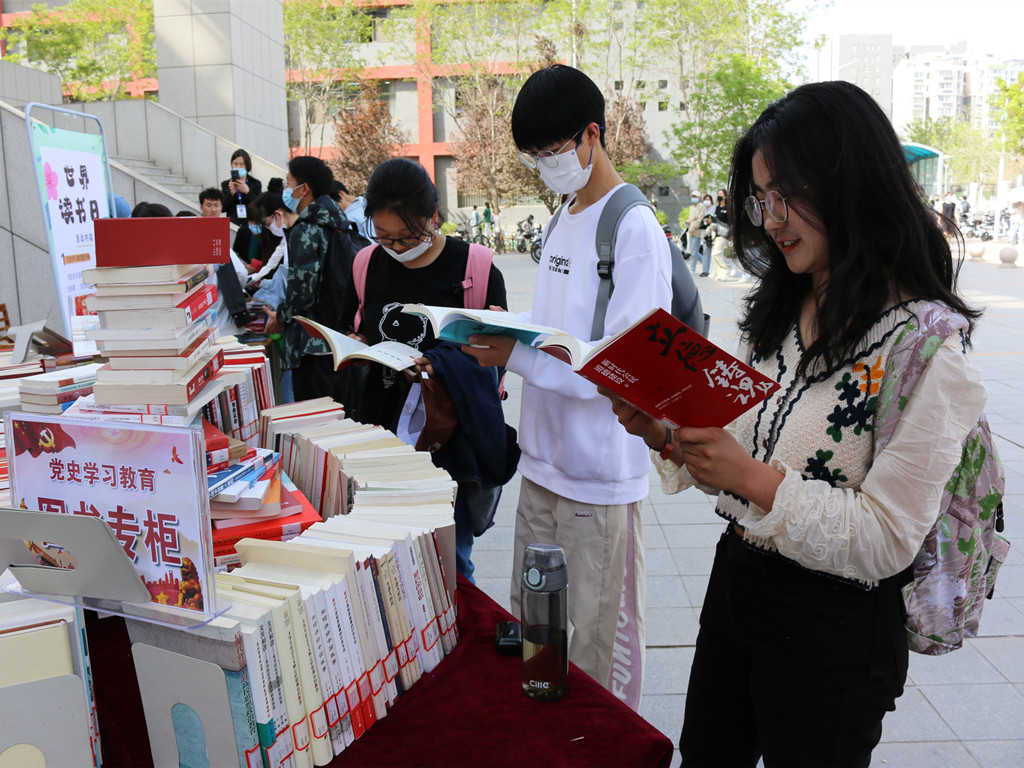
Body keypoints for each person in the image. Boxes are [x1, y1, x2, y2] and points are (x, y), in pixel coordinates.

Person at [602, 81, 986, 766]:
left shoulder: (925, 350)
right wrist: (662, 433)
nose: (771, 219)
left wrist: (751, 478)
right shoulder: (779, 309)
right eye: (760, 198)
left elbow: (888, 537)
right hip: (739, 586)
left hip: (835, 630)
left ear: (849, 183)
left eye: (786, 195)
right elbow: (735, 444)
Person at [463, 64, 672, 712]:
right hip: (543, 469)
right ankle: (547, 745)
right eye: (537, 156)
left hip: (599, 483)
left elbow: (625, 367)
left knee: (597, 654)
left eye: (554, 152)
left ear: (591, 135)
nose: (548, 165)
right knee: (539, 642)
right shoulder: (562, 218)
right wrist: (505, 334)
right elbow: (555, 329)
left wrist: (516, 357)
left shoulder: (632, 228)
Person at [336, 158, 514, 583]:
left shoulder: (476, 269)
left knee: (449, 565)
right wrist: (355, 348)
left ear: (434, 217)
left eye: (406, 237)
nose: (395, 248)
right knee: (382, 559)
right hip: (381, 437)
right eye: (384, 238)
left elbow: (502, 354)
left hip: (450, 441)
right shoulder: (366, 263)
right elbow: (353, 326)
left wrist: (439, 364)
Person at [263, 156, 344, 401]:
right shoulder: (338, 222)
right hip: (339, 336)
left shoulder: (306, 229)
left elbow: (302, 289)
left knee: (315, 418)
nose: (287, 190)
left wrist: (281, 316)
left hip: (310, 342)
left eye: (289, 183)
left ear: (304, 188)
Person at [706, 188, 732, 280]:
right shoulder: (717, 208)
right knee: (716, 254)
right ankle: (721, 273)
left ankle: (726, 269)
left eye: (721, 194)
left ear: (725, 196)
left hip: (724, 233)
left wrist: (731, 234)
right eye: (718, 194)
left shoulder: (728, 207)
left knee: (716, 253)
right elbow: (716, 219)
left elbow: (731, 221)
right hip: (716, 233)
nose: (719, 196)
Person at [685, 192, 708, 276]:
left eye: (695, 196)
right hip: (691, 231)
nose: (693, 198)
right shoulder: (692, 207)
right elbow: (691, 218)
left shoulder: (701, 207)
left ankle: (693, 268)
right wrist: (688, 222)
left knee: (694, 251)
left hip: (697, 232)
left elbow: (699, 219)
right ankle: (705, 264)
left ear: (699, 197)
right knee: (693, 251)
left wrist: (692, 226)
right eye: (692, 196)